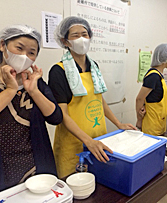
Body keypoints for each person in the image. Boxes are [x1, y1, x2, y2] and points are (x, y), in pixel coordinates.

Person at [0, 25, 63, 202]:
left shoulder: (36, 82)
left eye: (31, 52)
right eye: (19, 48)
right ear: (3, 45)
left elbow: (56, 117)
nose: (25, 56)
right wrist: (10, 90)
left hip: (34, 168)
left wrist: (33, 90)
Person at [48, 16, 136, 178]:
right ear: (65, 41)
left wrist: (118, 123)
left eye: (85, 34)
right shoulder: (58, 71)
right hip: (73, 143)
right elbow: (62, 114)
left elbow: (98, 100)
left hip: (99, 138)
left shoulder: (94, 66)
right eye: (75, 35)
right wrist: (87, 141)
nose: (81, 38)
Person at [136, 43, 167, 136]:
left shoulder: (159, 75)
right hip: (151, 126)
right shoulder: (153, 76)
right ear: (166, 59)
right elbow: (139, 99)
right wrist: (139, 121)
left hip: (158, 123)